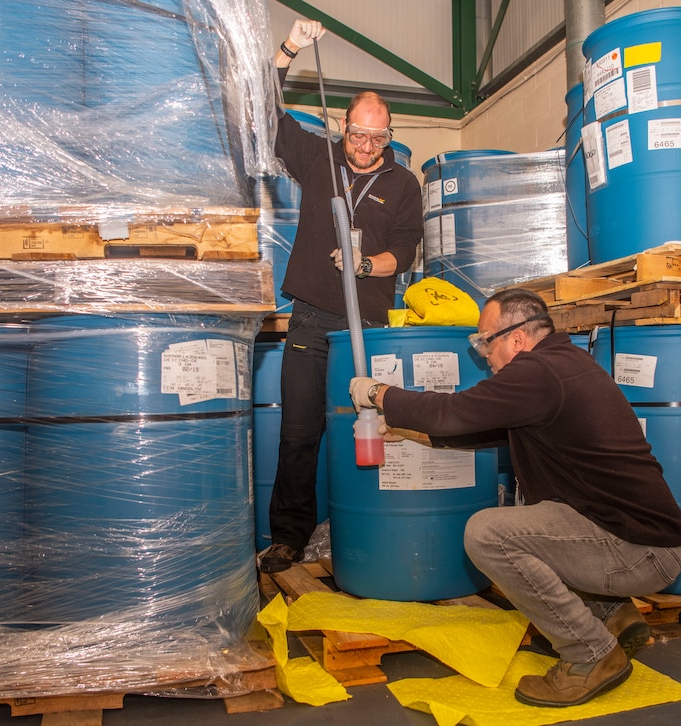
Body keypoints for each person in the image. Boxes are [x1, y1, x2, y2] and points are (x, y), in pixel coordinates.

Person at [348, 287, 681, 708]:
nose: (483, 355)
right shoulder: (560, 367)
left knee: (489, 533)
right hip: (635, 537)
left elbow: (454, 412)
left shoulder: (539, 371)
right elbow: (475, 430)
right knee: (535, 519)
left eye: (484, 342)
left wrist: (378, 393)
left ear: (516, 338)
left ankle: (590, 655)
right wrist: (403, 428)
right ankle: (612, 616)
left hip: (640, 550)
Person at [259, 20, 423, 573]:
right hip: (310, 321)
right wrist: (289, 50)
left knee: (371, 426)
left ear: (390, 135)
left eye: (378, 138)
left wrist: (365, 264)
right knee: (300, 433)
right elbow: (264, 108)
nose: (366, 147)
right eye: (357, 134)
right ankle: (289, 536)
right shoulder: (317, 159)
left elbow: (405, 248)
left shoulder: (402, 185)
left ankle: (373, 527)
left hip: (366, 328)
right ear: (343, 126)